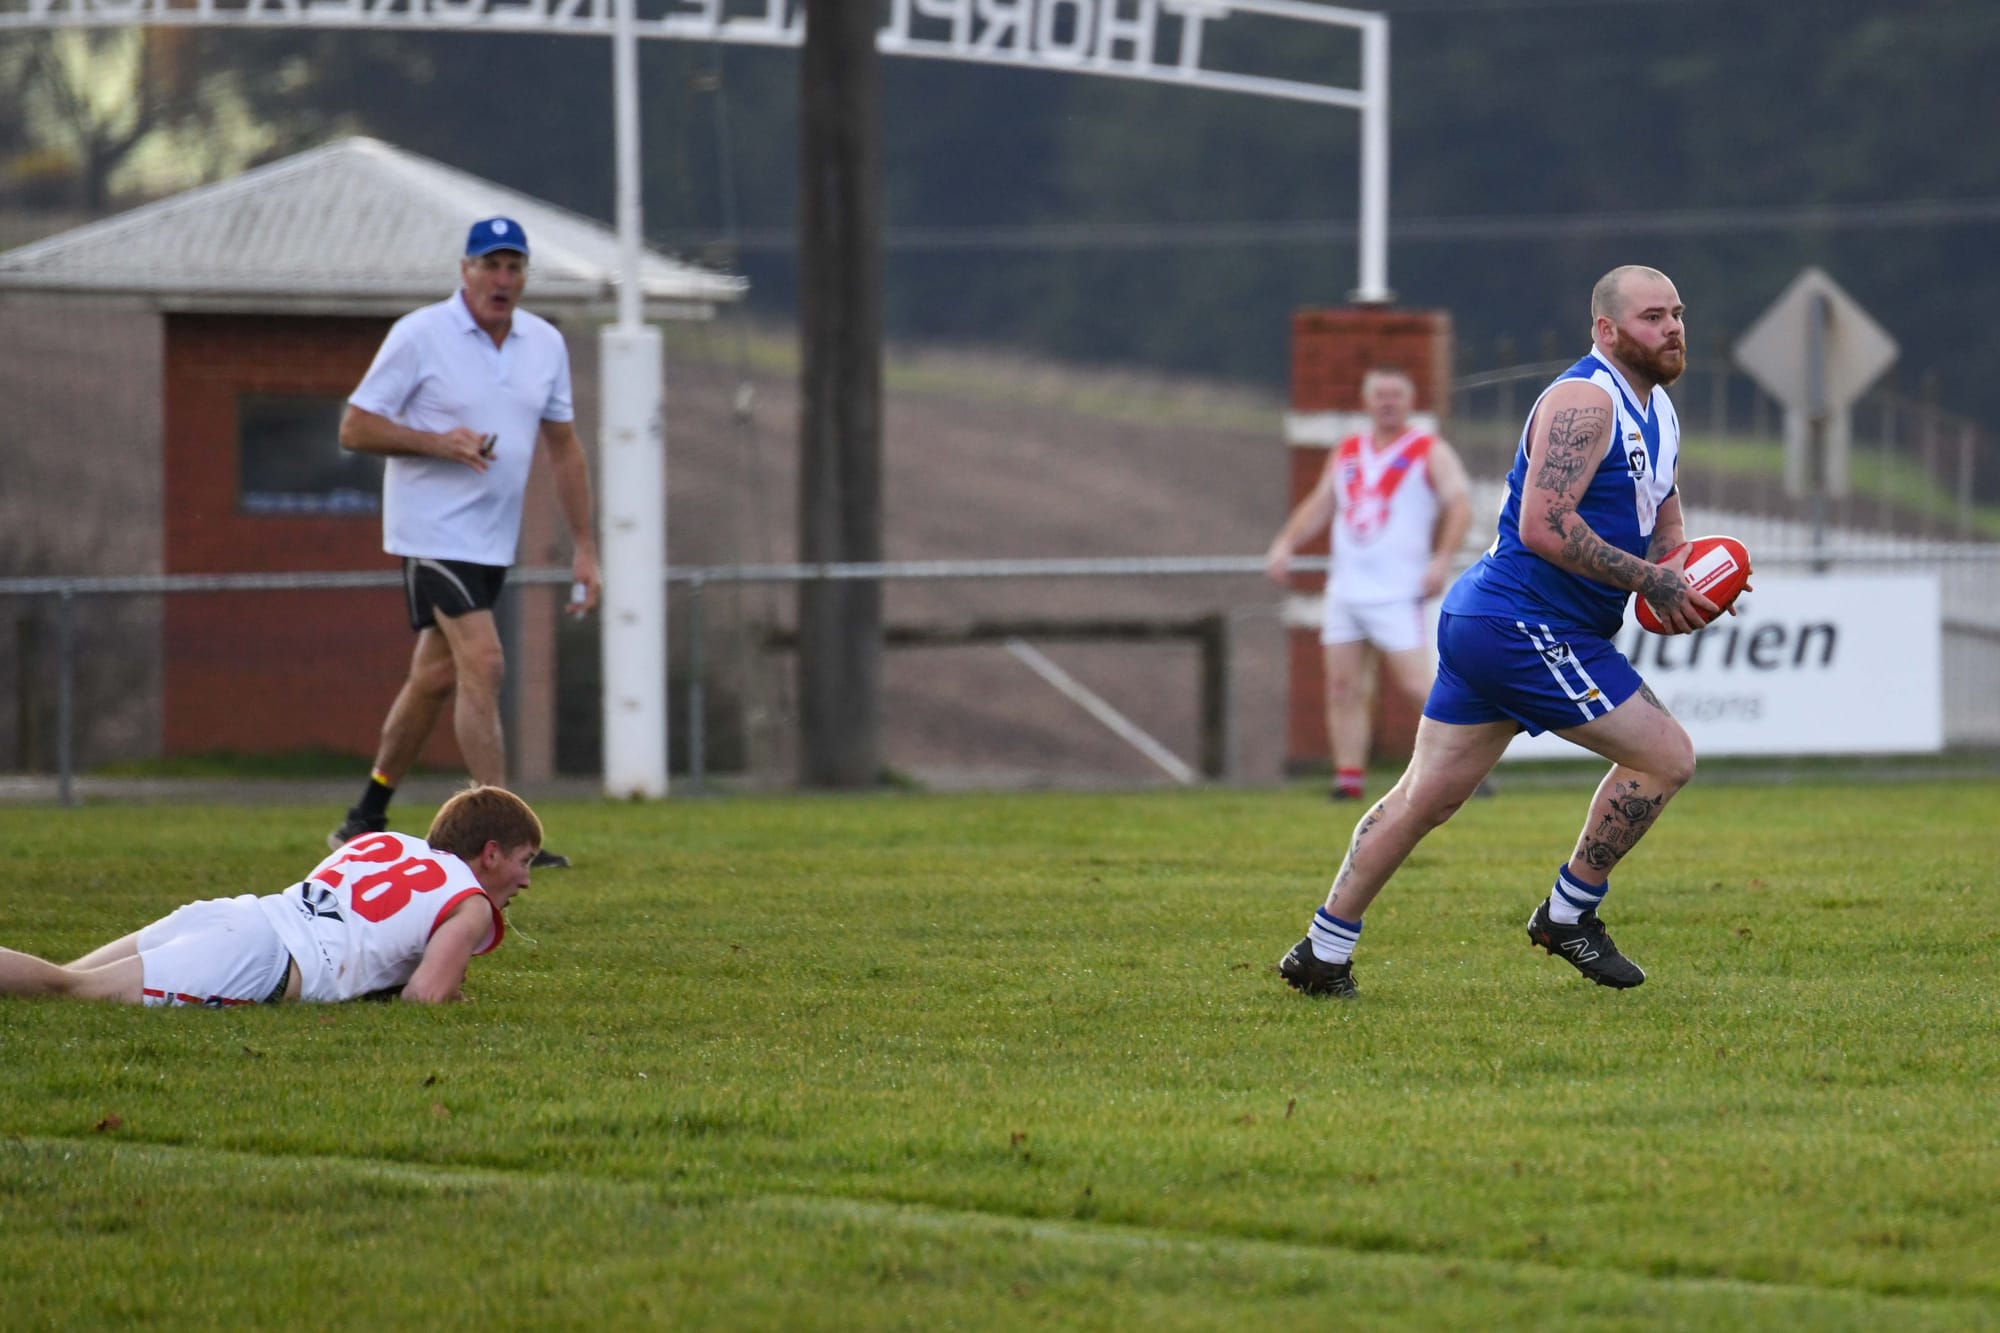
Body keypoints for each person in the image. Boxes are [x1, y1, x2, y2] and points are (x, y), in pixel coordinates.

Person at [1278, 265, 1737, 998]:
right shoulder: (1586, 401)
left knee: (1427, 795)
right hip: (1523, 620)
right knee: (1667, 756)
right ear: (1607, 331)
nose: (1674, 327)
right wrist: (1652, 582)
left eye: (1678, 313)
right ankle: (1568, 913)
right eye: (1654, 317)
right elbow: (1545, 525)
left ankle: (1321, 950)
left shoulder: (1660, 410)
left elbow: (1665, 523)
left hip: (1501, 620)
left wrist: (1690, 581)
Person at [328, 216, 600, 869]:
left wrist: (585, 545)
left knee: (434, 678)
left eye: (514, 267)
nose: (502, 279)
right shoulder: (421, 335)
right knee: (486, 662)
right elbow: (354, 427)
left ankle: (365, 813)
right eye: (490, 265)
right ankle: (506, 839)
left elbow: (564, 449)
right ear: (465, 270)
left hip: (491, 540)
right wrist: (437, 441)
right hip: (429, 532)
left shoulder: (543, 344)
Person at [0, 785, 542, 1006]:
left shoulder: (384, 839)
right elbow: (423, 997)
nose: (526, 880)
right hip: (262, 959)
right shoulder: (470, 903)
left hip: (236, 915)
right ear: (489, 854)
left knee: (62, 977)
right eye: (525, 861)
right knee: (68, 989)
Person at [1264, 366, 1474, 801]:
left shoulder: (1428, 450)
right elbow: (1322, 504)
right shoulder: (1347, 452)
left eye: (1396, 395)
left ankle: (1470, 765)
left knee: (1420, 688)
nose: (1388, 403)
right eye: (1380, 395)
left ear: (1411, 401)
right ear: (1366, 401)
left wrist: (1440, 560)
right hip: (1346, 590)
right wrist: (1285, 543)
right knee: (1342, 687)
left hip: (1398, 591)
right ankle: (1348, 778)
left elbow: (1459, 504)